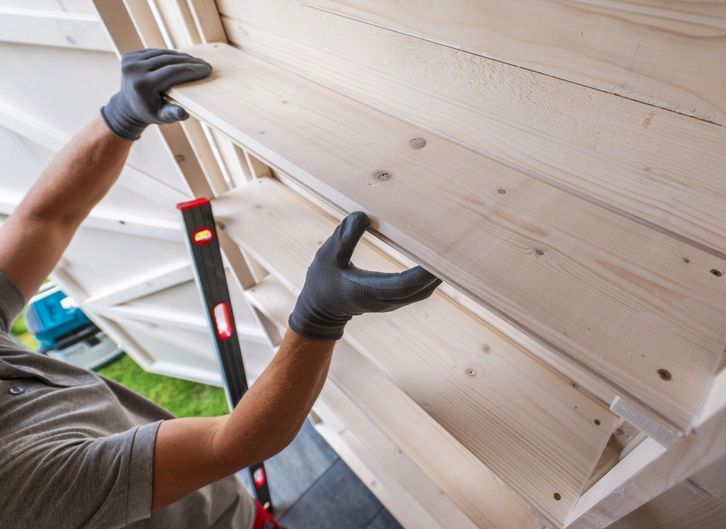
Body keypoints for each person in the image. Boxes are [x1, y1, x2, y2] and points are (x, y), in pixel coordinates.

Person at [0, 49, 440, 529]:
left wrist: (117, 118)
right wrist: (319, 318)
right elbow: (231, 443)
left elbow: (43, 220)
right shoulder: (20, 492)